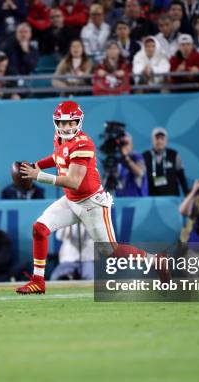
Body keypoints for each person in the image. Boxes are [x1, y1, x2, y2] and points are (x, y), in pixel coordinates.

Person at [15, 100, 169, 294]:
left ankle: (156, 260)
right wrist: (37, 165)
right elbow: (58, 157)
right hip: (71, 200)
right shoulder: (59, 138)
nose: (66, 127)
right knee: (39, 228)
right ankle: (38, 281)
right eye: (62, 123)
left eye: (71, 123)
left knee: (112, 253)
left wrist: (39, 175)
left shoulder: (83, 143)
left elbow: (74, 181)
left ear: (78, 122)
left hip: (91, 203)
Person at [141, 127, 189, 196]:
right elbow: (141, 179)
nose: (159, 141)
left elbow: (181, 177)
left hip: (171, 198)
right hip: (151, 199)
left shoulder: (174, 154)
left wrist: (187, 194)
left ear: (166, 140)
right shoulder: (145, 156)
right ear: (152, 140)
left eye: (162, 138)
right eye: (157, 138)